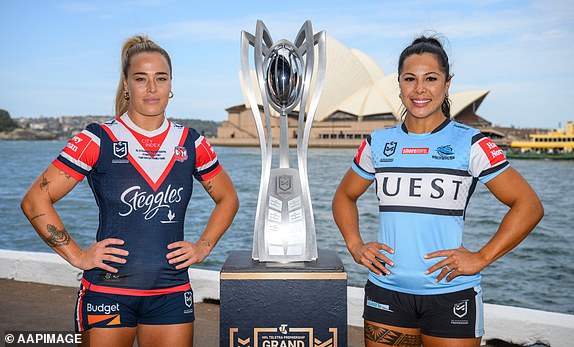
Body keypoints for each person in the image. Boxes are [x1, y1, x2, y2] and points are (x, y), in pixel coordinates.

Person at [20, 35, 239, 347]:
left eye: (160, 79)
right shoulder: (97, 140)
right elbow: (35, 200)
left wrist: (203, 247)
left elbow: (228, 198)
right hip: (108, 293)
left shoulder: (191, 143)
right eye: (141, 79)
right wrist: (78, 255)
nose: (152, 88)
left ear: (171, 85)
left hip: (172, 293)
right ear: (126, 84)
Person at [332, 35, 543, 347]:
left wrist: (482, 257)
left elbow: (528, 205)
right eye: (410, 79)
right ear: (399, 85)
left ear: (447, 84)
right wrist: (355, 245)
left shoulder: (470, 143)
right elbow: (344, 197)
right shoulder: (377, 143)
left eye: (431, 79)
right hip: (387, 290)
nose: (420, 89)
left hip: (450, 293)